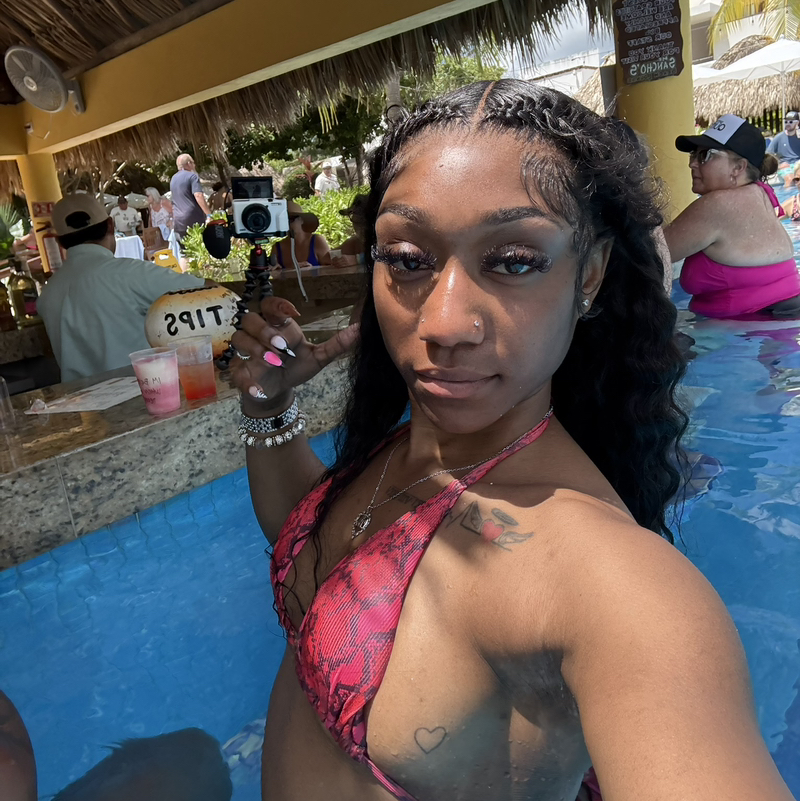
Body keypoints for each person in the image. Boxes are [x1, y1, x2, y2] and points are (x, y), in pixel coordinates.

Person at [230, 82, 796, 801]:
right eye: (407, 257)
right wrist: (269, 407)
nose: (444, 323)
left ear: (590, 275)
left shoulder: (610, 582)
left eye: (515, 260)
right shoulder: (405, 453)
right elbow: (318, 546)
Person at [38, 194, 209, 382]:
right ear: (110, 225)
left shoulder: (47, 294)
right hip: (143, 390)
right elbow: (208, 291)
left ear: (58, 241)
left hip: (79, 398)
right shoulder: (130, 274)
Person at [665, 113, 800, 319]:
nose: (692, 164)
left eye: (705, 155)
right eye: (693, 154)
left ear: (738, 168)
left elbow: (649, 253)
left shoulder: (718, 205)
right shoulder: (761, 193)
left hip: (747, 330)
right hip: (777, 326)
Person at [170, 153, 213, 269]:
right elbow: (198, 195)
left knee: (184, 253)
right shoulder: (192, 176)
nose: (194, 165)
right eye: (193, 163)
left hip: (178, 220)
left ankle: (185, 277)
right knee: (201, 249)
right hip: (193, 218)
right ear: (189, 164)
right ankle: (204, 276)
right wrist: (209, 214)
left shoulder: (173, 179)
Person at [269, 200, 331, 268]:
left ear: (301, 220)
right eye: (283, 220)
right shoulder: (277, 248)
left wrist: (311, 270)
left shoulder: (316, 241)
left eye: (291, 219)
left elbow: (330, 268)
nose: (287, 224)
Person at [331, 195, 368, 267]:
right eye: (355, 222)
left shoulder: (385, 236)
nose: (359, 228)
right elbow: (326, 257)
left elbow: (388, 254)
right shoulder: (355, 241)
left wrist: (357, 259)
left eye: (361, 222)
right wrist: (335, 259)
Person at [767, 110, 800, 181]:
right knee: (790, 179)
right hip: (785, 166)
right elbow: (768, 155)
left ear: (797, 123)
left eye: (790, 122)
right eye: (786, 122)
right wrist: (778, 166)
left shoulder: (799, 137)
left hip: (798, 165)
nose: (787, 124)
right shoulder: (779, 137)